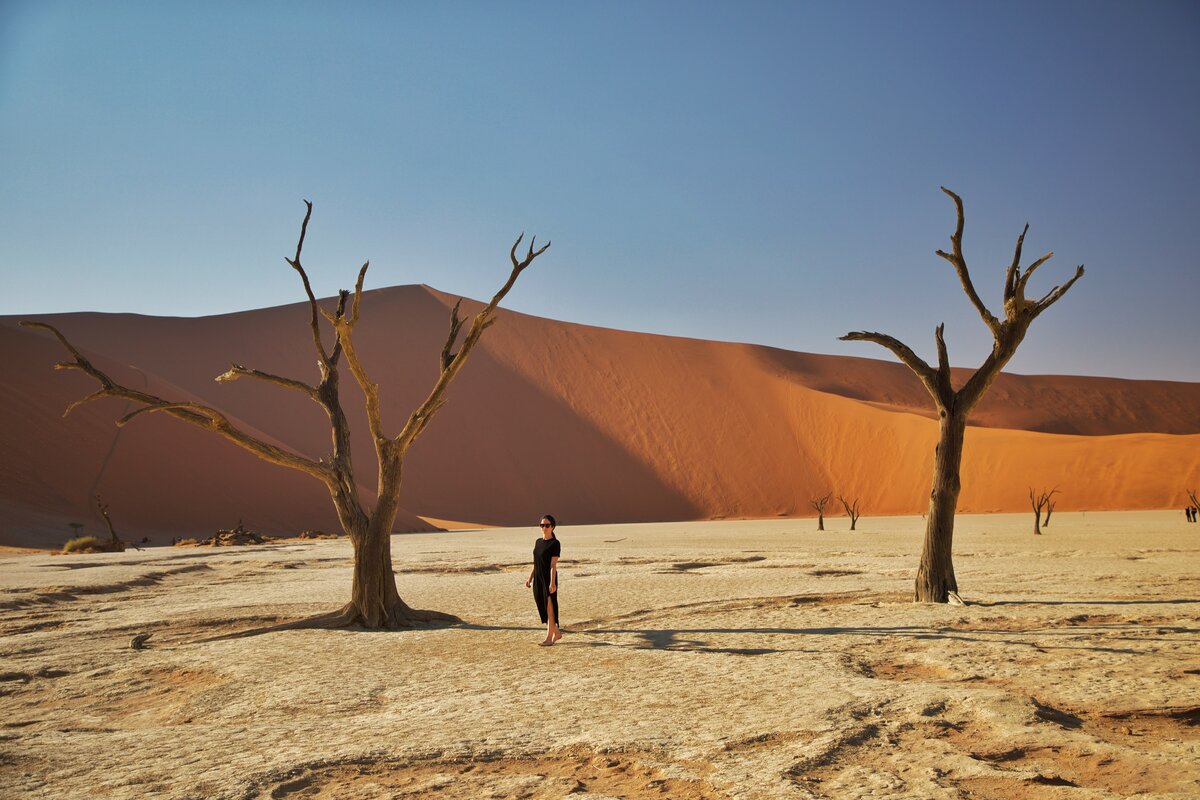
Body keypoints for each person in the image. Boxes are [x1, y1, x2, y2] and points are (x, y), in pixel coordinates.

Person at [525, 514, 562, 646]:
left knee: (550, 608)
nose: (544, 528)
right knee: (542, 606)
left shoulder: (555, 543)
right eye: (542, 525)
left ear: (552, 527)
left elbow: (553, 565)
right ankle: (556, 632)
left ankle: (549, 637)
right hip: (538, 579)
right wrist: (530, 578)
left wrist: (552, 583)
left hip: (548, 579)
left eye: (547, 525)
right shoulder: (538, 542)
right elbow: (536, 563)